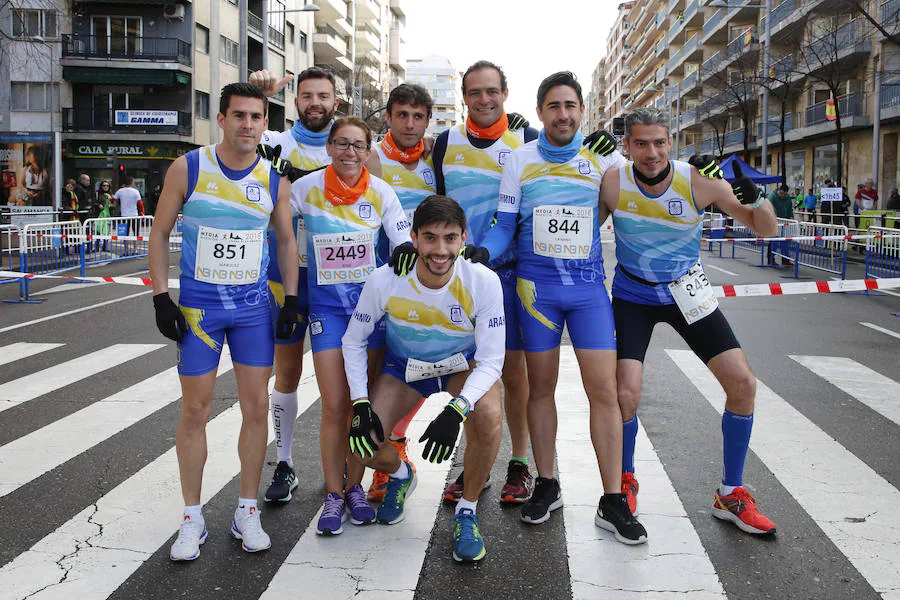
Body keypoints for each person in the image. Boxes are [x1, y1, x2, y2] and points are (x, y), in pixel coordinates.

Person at [471, 71, 646, 544]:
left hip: (588, 292)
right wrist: (483, 250)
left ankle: (613, 499)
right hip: (537, 292)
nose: (563, 114)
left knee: (604, 392)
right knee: (539, 388)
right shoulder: (519, 159)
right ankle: (546, 483)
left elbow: (635, 202)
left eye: (570, 106)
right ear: (542, 111)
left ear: (582, 111)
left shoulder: (601, 160)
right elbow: (505, 224)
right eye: (553, 106)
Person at [599, 107, 779, 536]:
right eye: (640, 143)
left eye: (659, 142)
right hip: (633, 295)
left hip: (686, 294)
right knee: (626, 392)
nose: (650, 152)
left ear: (670, 143)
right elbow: (582, 230)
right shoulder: (612, 181)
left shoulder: (699, 180)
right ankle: (624, 482)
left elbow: (765, 229)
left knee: (743, 384)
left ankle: (730, 493)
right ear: (627, 146)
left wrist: (753, 196)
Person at [148, 82, 299, 561]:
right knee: (195, 410)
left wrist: (291, 298)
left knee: (256, 409)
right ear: (222, 118)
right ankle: (192, 518)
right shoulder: (189, 167)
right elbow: (159, 233)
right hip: (198, 312)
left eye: (256, 117)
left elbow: (286, 241)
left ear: (265, 123)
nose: (248, 125)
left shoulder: (274, 178)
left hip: (254, 312)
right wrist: (160, 298)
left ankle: (246, 510)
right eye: (239, 116)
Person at [343, 195, 504, 562]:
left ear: (464, 238)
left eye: (450, 238)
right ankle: (401, 474)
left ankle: (467, 510)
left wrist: (457, 410)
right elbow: (353, 341)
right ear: (413, 238)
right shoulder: (386, 279)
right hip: (404, 369)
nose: (440, 249)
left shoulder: (483, 281)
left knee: (490, 416)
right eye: (430, 238)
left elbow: (492, 360)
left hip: (460, 367)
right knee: (357, 445)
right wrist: (360, 403)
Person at [423, 59, 540, 505]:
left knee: (514, 375)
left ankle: (519, 465)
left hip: (508, 275)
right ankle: (477, 465)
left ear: (505, 94)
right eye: (475, 92)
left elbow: (574, 157)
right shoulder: (444, 145)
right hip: (456, 277)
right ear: (465, 96)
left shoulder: (527, 139)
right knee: (470, 375)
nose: (484, 100)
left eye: (492, 91)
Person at [291, 116, 411, 536]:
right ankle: (333, 494)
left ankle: (355, 486)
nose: (349, 153)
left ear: (368, 150)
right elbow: (276, 232)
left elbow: (402, 240)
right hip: (327, 312)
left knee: (366, 409)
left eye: (358, 146)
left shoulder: (381, 192)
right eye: (341, 144)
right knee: (335, 405)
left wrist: (406, 253)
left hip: (372, 315)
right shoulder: (304, 189)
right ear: (329, 147)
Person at [249, 66, 339, 503]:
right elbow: (238, 133)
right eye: (307, 96)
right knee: (286, 372)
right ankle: (284, 462)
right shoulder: (273, 144)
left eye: (323, 96)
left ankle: (342, 471)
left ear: (336, 102)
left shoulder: (351, 146)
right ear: (297, 101)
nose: (315, 103)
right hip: (285, 277)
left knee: (338, 379)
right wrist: (258, 93)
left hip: (338, 279)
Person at [362, 83, 437, 502]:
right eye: (402, 115)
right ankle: (382, 454)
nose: (410, 123)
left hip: (428, 284)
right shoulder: (373, 158)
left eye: (418, 116)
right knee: (378, 375)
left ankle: (397, 443)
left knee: (416, 369)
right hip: (383, 281)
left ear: (428, 120)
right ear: (388, 117)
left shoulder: (435, 158)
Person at [114, 176, 144, 254]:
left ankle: (126, 250)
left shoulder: (120, 191)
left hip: (124, 215)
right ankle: (135, 250)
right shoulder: (135, 191)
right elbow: (140, 204)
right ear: (132, 182)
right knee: (136, 233)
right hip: (134, 214)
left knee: (125, 234)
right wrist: (142, 212)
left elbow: (112, 199)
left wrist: (108, 197)